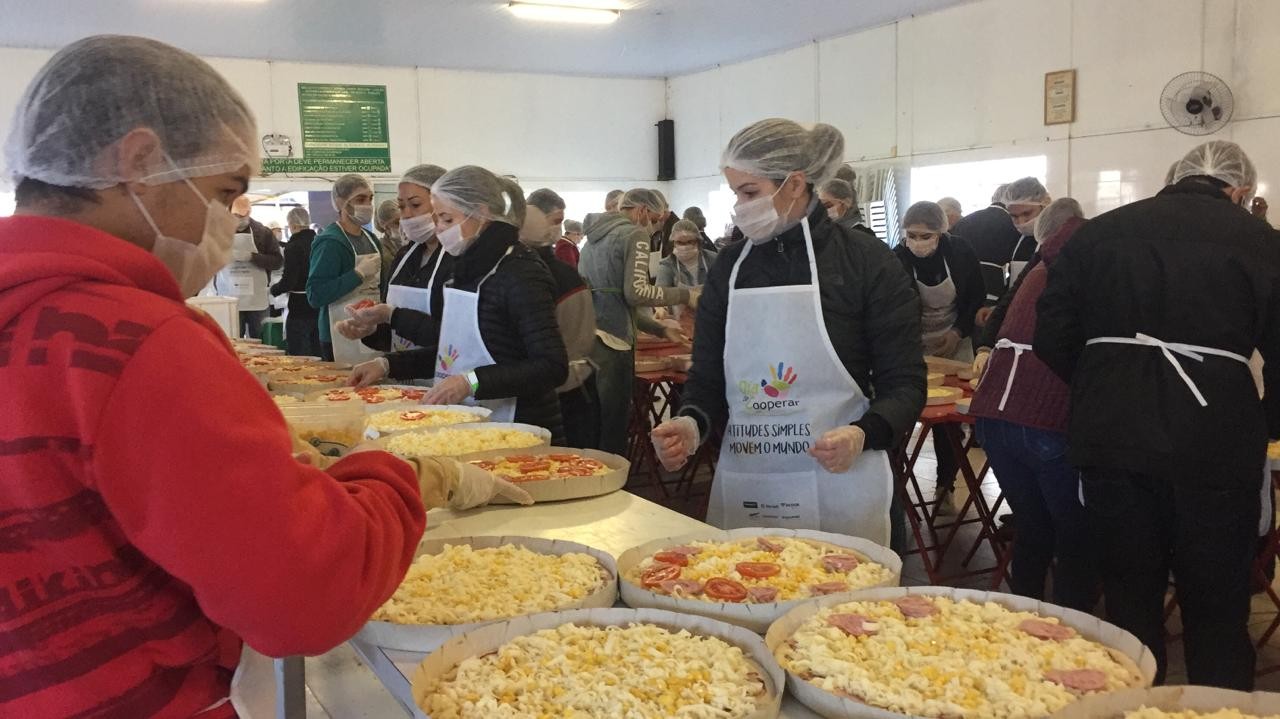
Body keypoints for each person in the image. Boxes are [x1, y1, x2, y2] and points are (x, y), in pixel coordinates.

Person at [0, 35, 530, 719]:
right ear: (138, 161)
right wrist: (402, 477)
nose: (225, 223)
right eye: (224, 192)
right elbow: (304, 594)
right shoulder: (139, 341)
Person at [1035, 140, 1280, 689]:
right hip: (1216, 443)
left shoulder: (1098, 233)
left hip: (1112, 438)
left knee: (1127, 600)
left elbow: (1051, 332)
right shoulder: (1264, 243)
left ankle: (1130, 702)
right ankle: (1218, 705)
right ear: (1239, 190)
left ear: (1174, 176)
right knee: (1217, 606)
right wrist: (1265, 422)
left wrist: (1106, 381)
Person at [650, 119, 925, 543]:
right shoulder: (731, 267)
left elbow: (905, 383)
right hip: (751, 484)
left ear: (795, 184)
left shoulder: (866, 262)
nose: (740, 207)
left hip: (844, 481)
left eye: (749, 193)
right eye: (735, 194)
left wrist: (863, 433)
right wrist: (691, 424)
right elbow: (708, 376)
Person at [354, 166, 569, 440]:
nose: (440, 230)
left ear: (480, 213)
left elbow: (551, 365)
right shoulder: (466, 269)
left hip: (517, 428)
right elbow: (453, 355)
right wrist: (387, 365)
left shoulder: (520, 272)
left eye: (446, 219)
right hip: (465, 422)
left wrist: (472, 382)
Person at [968, 198, 1098, 612]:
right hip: (1045, 418)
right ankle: (1070, 628)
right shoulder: (1089, 267)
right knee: (1076, 535)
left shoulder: (1037, 268)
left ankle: (1024, 619)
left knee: (1033, 525)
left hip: (994, 416)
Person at [580, 188, 694, 455]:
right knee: (614, 425)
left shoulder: (591, 239)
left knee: (594, 423)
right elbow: (636, 292)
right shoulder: (634, 233)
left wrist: (659, 328)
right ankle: (616, 487)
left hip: (588, 339)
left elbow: (615, 298)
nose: (654, 226)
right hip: (615, 342)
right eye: (655, 218)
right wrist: (685, 295)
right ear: (642, 211)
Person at [893, 200, 983, 512]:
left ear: (940, 233)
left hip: (954, 339)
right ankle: (897, 487)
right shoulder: (897, 257)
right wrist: (909, 342)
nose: (917, 242)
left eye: (925, 235)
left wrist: (958, 331)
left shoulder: (960, 253)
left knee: (948, 420)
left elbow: (976, 297)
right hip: (912, 340)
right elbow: (894, 306)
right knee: (906, 411)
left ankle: (946, 485)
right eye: (912, 235)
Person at [337, 164, 452, 356]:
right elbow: (390, 334)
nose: (406, 214)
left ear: (443, 204)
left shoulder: (457, 259)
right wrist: (371, 330)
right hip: (402, 378)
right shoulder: (405, 257)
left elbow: (453, 337)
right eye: (401, 206)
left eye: (415, 205)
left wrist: (392, 316)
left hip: (450, 378)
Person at [521, 202, 600, 449]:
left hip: (562, 390)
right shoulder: (563, 274)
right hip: (572, 385)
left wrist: (470, 381)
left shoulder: (531, 278)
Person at [306, 173, 382, 363]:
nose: (368, 205)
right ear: (341, 203)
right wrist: (357, 274)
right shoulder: (330, 242)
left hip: (371, 328)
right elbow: (316, 295)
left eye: (370, 199)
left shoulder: (371, 239)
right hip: (337, 332)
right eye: (360, 199)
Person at [215, 194, 282, 338]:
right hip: (229, 298)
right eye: (236, 216)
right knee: (232, 340)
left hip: (256, 299)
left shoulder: (262, 233)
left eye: (243, 216)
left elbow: (277, 261)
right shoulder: (219, 232)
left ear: (249, 213)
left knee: (260, 340)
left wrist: (252, 257)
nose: (239, 220)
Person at [949, 183, 1022, 308]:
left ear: (993, 198)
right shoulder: (1014, 223)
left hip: (959, 284)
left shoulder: (965, 221)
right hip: (993, 286)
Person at [270, 206, 323, 357]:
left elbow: (289, 281)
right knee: (317, 350)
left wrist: (274, 289)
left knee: (299, 351)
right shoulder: (319, 242)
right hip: (319, 303)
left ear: (292, 225)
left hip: (299, 306)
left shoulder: (293, 247)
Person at [374, 197, 403, 289]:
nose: (403, 226)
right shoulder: (382, 252)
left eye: (405, 220)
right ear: (385, 226)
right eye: (397, 222)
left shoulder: (411, 246)